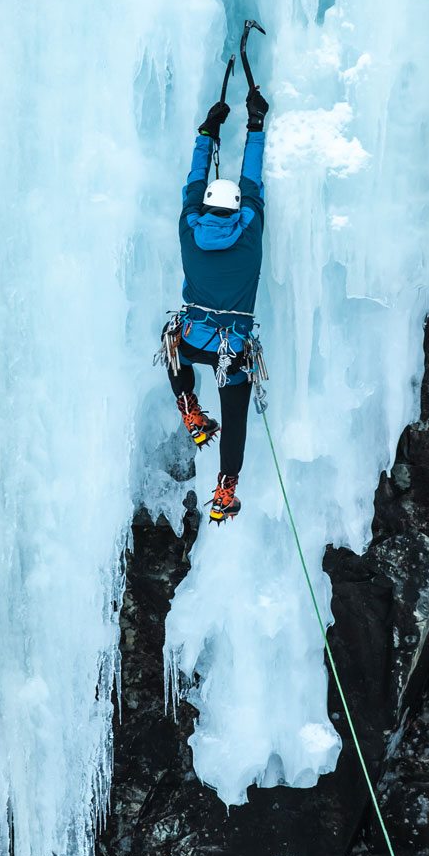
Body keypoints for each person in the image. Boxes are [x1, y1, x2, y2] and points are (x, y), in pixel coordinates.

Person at [164, 79, 269, 523]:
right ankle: (226, 487)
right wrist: (257, 124)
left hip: (193, 340)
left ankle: (189, 407)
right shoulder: (248, 233)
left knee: (170, 340)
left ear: (207, 208)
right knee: (236, 413)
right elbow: (252, 180)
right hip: (232, 352)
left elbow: (192, 185)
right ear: (237, 208)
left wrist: (207, 133)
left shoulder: (190, 229)